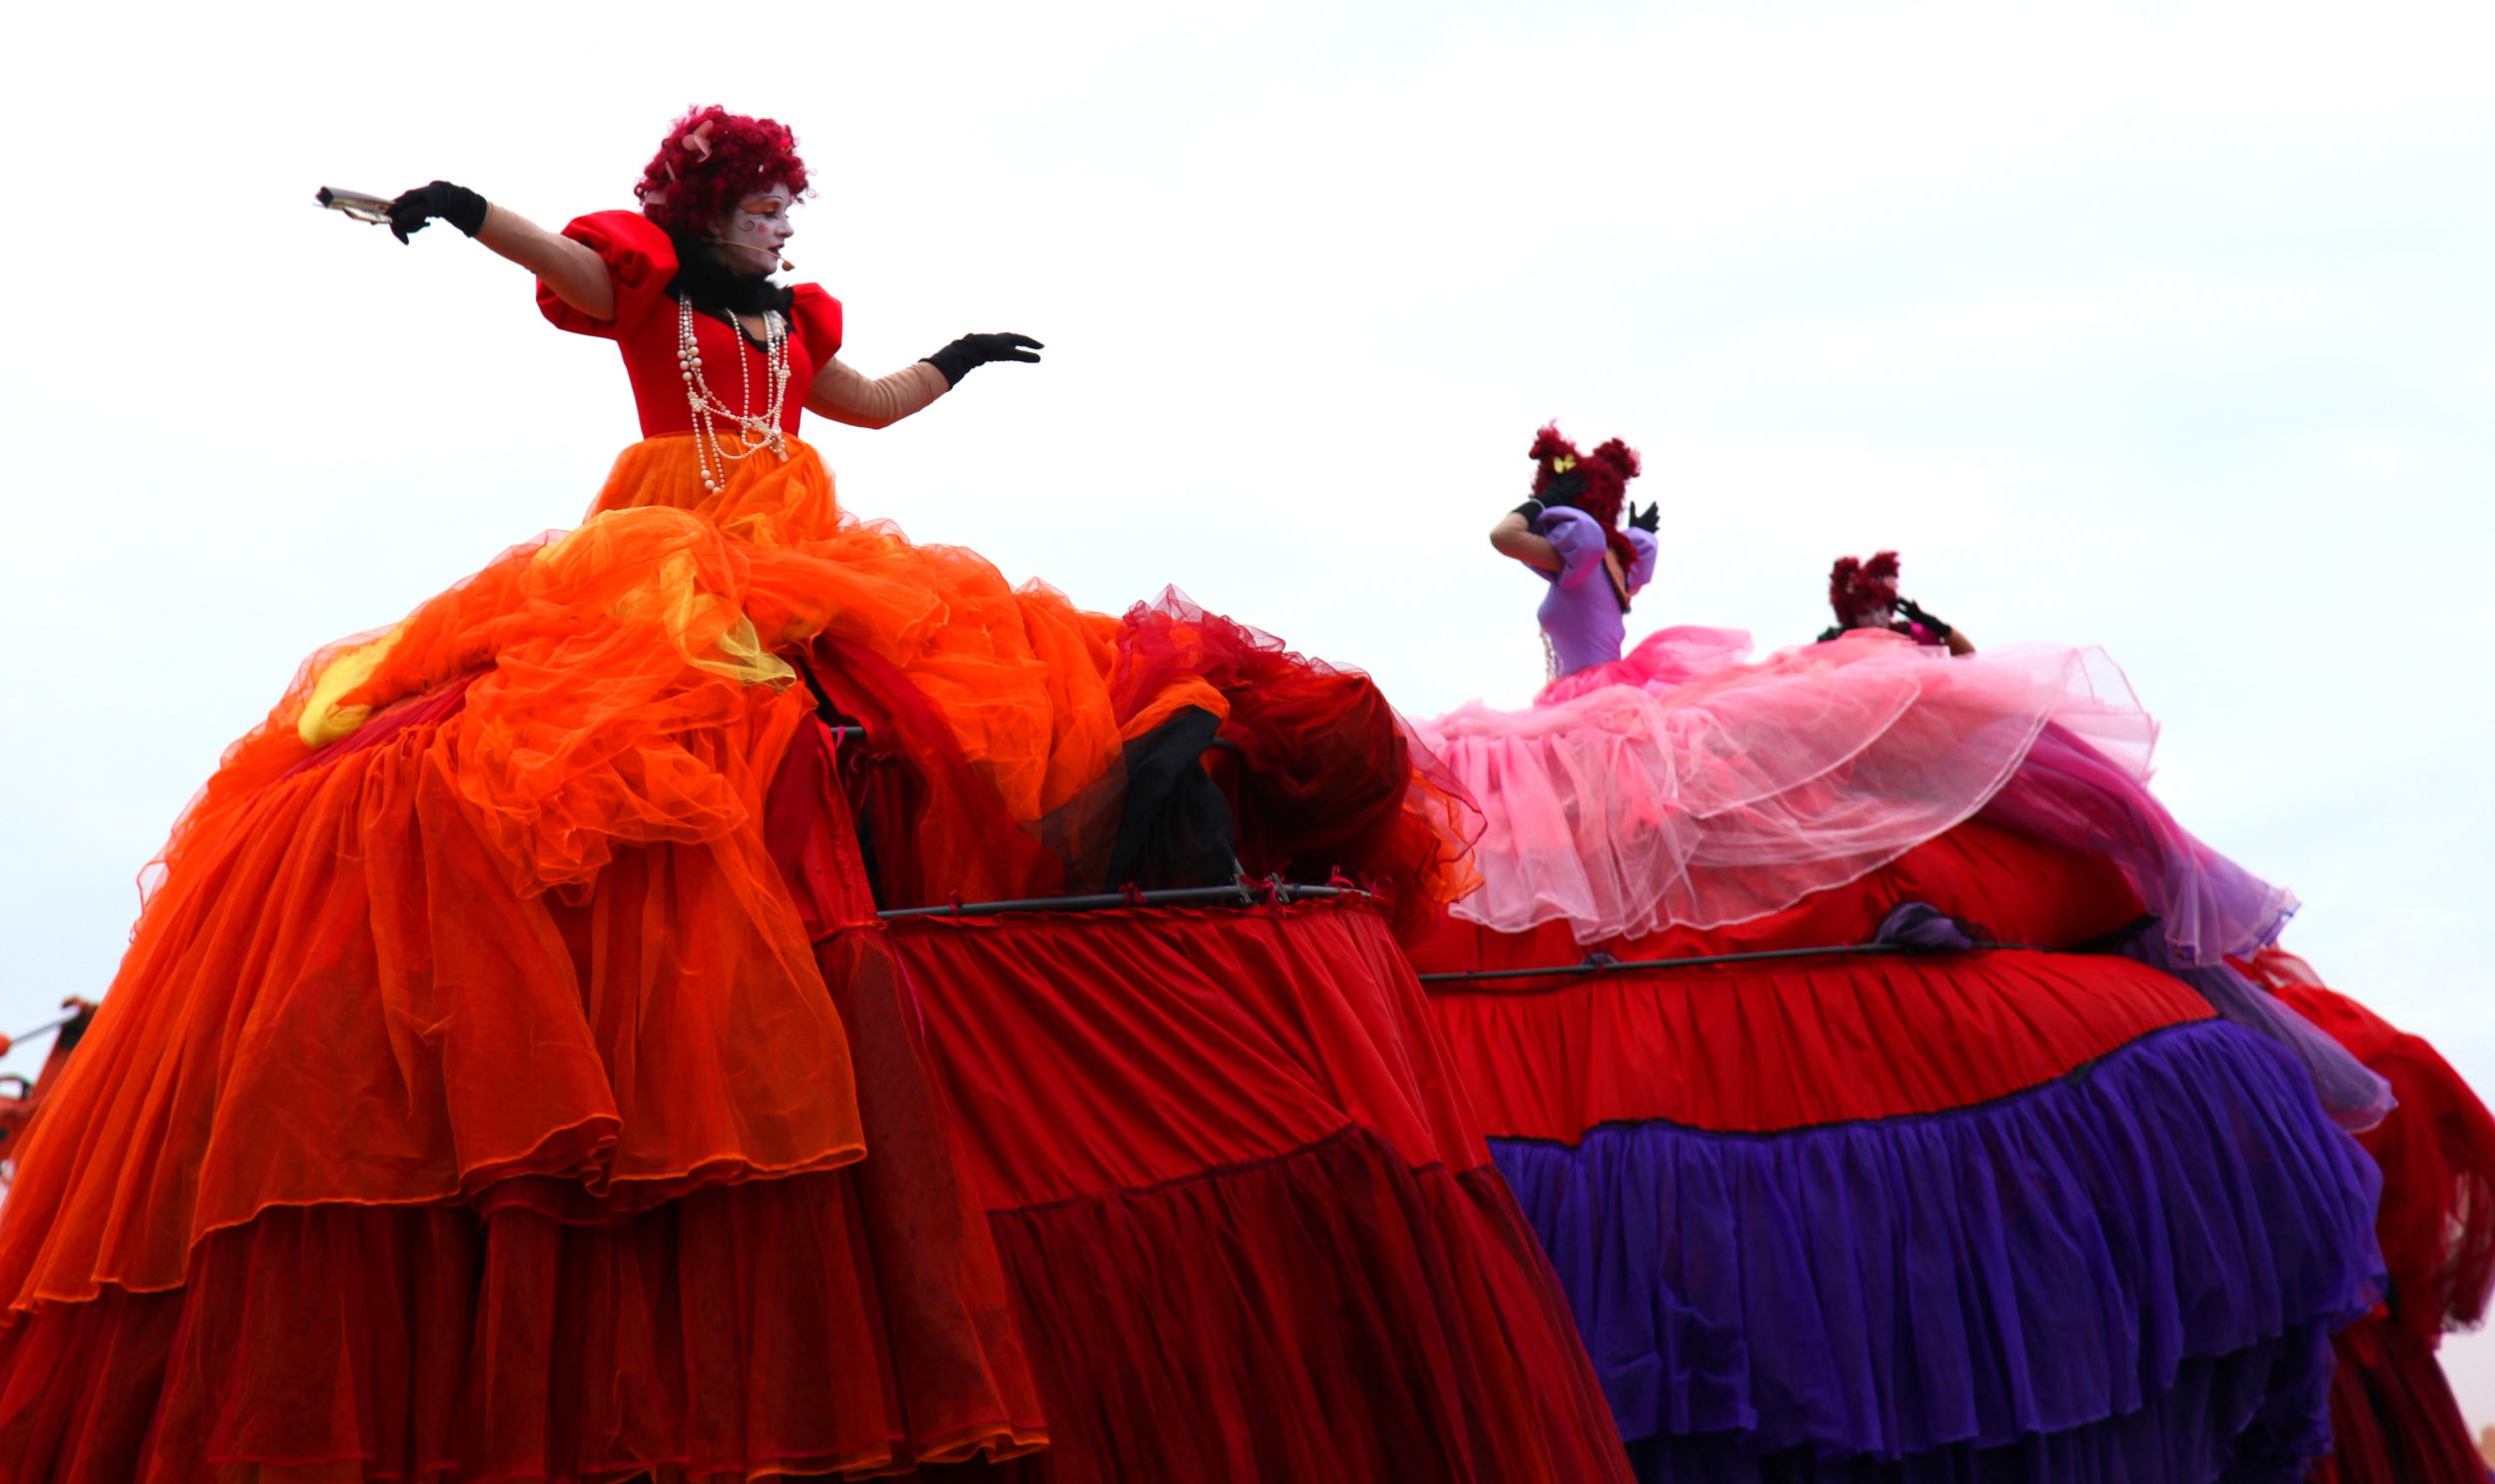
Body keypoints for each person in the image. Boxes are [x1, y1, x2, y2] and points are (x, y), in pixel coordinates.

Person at [0, 109, 1625, 1482]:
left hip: (806, 530)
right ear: (714, 205)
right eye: (766, 204)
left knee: (920, 701)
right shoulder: (648, 285)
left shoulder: (808, 322)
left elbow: (853, 412)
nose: (784, 227)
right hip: (671, 536)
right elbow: (566, 273)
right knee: (667, 718)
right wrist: (461, 208)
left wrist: (957, 363)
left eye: (792, 209)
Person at [1401, 425, 2390, 1482]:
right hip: (1599, 700)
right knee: (1636, 841)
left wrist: (1572, 526)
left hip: (1599, 704)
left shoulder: (1568, 543)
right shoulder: (1604, 552)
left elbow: (1507, 534)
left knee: (1633, 838)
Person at [1817, 549, 1977, 655]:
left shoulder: (1912, 634)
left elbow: (1968, 657)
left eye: (1879, 608)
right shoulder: (1838, 643)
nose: (1875, 619)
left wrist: (1941, 628)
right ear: (1851, 616)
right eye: (1864, 613)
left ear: (1889, 608)